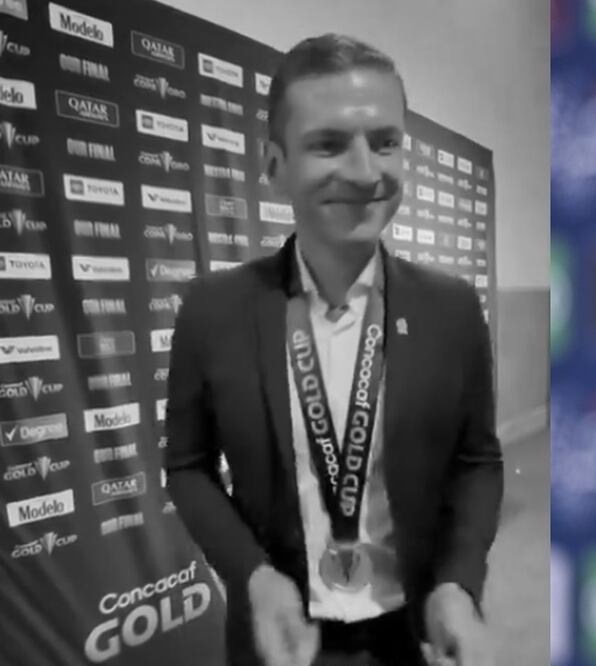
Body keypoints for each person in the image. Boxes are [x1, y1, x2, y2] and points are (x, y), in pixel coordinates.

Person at [166, 34, 501, 666]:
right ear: (274, 166)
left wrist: (458, 585)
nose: (365, 172)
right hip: (282, 639)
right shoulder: (213, 310)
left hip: (413, 636)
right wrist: (253, 578)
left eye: (385, 141)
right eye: (328, 144)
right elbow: (187, 466)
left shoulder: (451, 308)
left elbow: (477, 459)